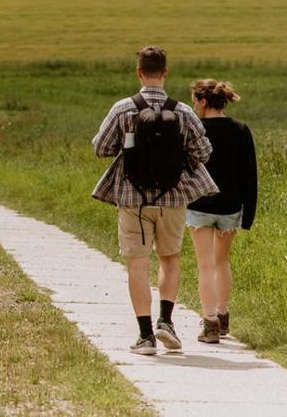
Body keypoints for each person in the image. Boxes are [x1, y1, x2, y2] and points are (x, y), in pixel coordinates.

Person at [92, 46, 218, 355]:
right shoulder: (184, 112)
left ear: (139, 72)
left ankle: (145, 336)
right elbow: (203, 153)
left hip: (132, 200)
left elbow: (101, 148)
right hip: (173, 199)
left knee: (137, 264)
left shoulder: (123, 108)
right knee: (169, 258)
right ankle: (166, 321)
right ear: (165, 73)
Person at [187, 79, 257, 344]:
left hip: (200, 205)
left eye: (195, 100)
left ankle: (210, 324)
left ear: (204, 102)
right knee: (222, 262)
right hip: (230, 207)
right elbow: (249, 176)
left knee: (205, 265)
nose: (194, 105)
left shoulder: (195, 131)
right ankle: (223, 315)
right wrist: (248, 214)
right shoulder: (240, 130)